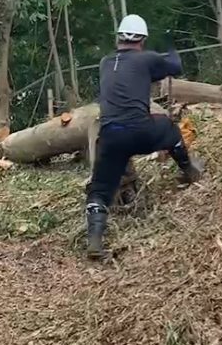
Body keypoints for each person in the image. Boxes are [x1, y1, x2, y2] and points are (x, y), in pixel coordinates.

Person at [86, 14, 204, 258]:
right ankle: (189, 170)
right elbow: (175, 66)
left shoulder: (105, 62)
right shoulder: (146, 59)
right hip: (140, 131)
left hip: (109, 136)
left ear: (119, 38)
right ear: (142, 40)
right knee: (170, 129)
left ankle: (95, 241)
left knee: (99, 189)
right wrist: (170, 47)